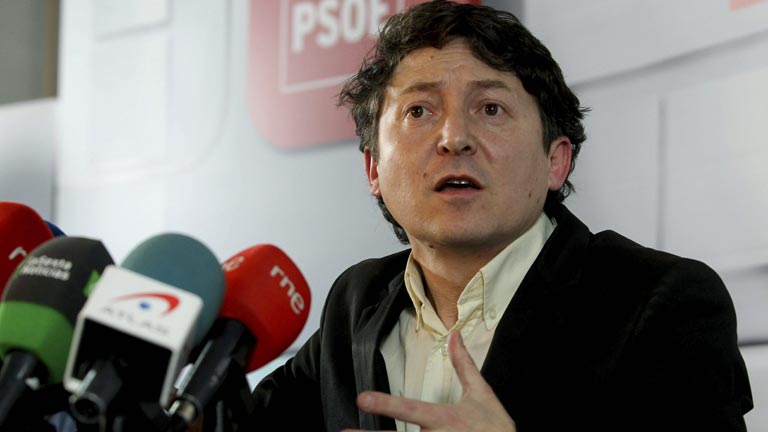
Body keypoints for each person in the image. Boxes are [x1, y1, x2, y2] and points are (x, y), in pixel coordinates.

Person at [247, 1, 753, 430]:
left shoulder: (658, 302)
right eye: (419, 111)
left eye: (490, 108)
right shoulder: (356, 302)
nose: (454, 138)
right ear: (374, 168)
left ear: (555, 160)